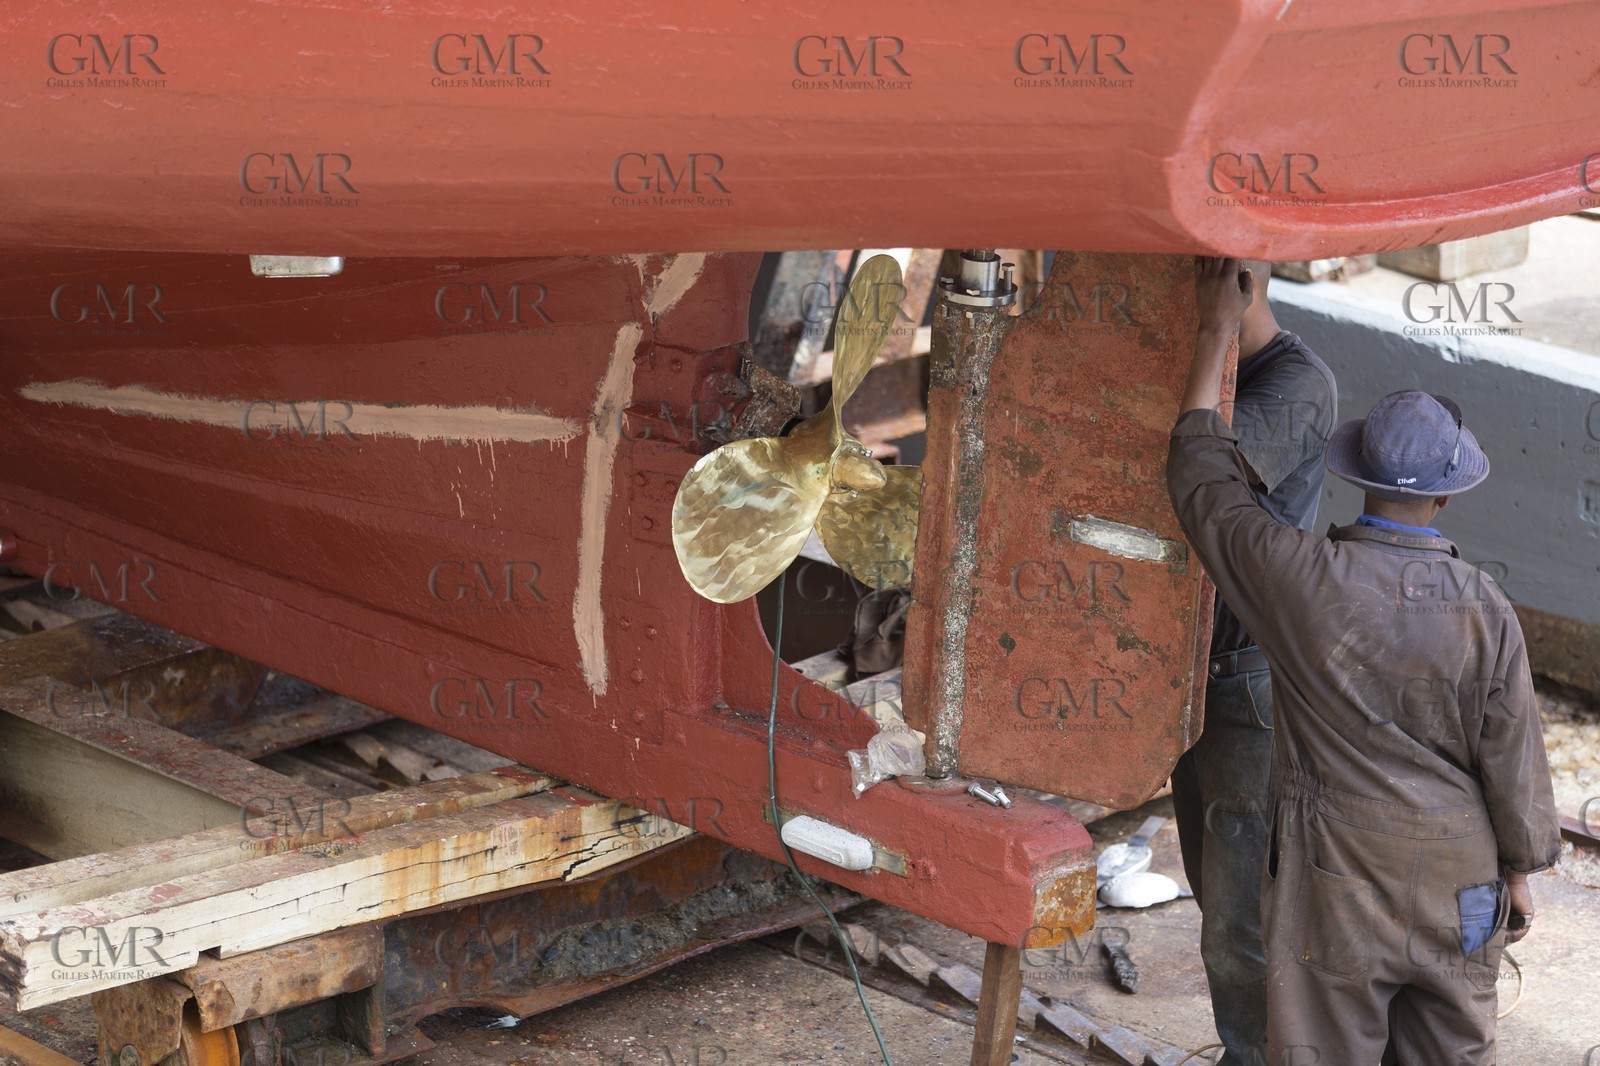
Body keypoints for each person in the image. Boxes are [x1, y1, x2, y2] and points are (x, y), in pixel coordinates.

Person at [1167, 257, 1560, 1064]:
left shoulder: (1301, 581)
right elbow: (1514, 758)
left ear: (1356, 477)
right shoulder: (1486, 607)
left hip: (1338, 881)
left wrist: (1214, 332)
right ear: (1448, 496)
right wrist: (1519, 874)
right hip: (1461, 877)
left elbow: (1202, 481)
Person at [1168, 260, 1336, 1066]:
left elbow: (1201, 478)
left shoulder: (1299, 384)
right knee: (1216, 898)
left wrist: (1213, 328)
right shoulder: (1198, 361)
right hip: (1193, 668)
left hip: (1251, 678)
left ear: (1235, 279)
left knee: (1241, 920)